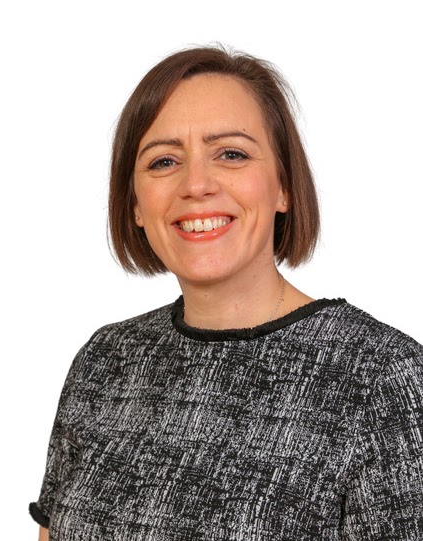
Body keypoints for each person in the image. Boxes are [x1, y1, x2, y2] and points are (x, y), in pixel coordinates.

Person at [30, 46, 423, 540]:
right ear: (135, 205)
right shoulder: (105, 360)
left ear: (284, 187)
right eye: (164, 161)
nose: (196, 185)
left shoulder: (383, 378)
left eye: (231, 154)